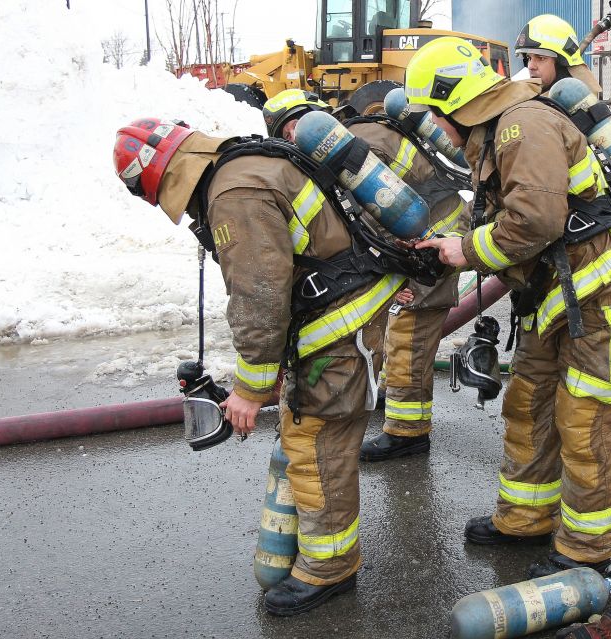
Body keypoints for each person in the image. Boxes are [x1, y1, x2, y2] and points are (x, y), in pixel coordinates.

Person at [112, 114, 403, 616]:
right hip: (339, 312)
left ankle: (330, 568)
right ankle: (323, 553)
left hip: (336, 325)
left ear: (152, 180)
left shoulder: (234, 195)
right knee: (309, 437)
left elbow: (259, 296)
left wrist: (250, 389)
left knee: (317, 446)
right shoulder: (240, 167)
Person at [407, 37, 611, 578]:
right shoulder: (496, 134)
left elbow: (535, 221)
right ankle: (524, 518)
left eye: (434, 113)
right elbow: (497, 219)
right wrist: (443, 247)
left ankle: (588, 551)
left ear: (455, 100)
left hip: (601, 297)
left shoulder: (523, 125)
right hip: (555, 298)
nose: (437, 127)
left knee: (586, 425)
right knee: (529, 406)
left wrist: (465, 250)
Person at [264, 88, 470, 463]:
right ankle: (391, 394)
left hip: (431, 240)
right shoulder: (355, 136)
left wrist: (395, 275)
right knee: (397, 326)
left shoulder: (347, 153)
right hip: (430, 232)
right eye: (285, 134)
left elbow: (374, 221)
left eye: (294, 127)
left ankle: (406, 433)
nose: (292, 138)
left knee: (409, 333)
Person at [516, 14, 601, 95]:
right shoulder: (530, 95)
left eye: (541, 58)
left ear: (560, 65)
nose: (530, 66)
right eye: (529, 58)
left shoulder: (572, 101)